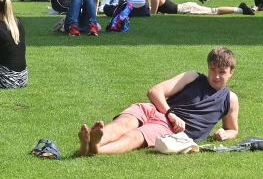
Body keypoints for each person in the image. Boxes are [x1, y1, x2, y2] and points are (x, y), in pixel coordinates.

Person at [76, 47, 239, 156]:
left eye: (222, 72)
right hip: (155, 110)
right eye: (213, 70)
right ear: (208, 67)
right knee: (122, 124)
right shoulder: (193, 77)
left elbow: (232, 129)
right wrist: (171, 113)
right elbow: (154, 92)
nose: (216, 76)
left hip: (167, 127)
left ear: (231, 73)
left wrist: (226, 134)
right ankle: (92, 143)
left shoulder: (230, 99)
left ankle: (95, 148)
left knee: (135, 136)